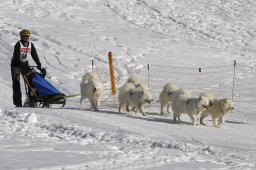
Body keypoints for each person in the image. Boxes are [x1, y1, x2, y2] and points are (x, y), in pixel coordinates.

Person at [11, 29, 45, 107]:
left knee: (31, 81)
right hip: (16, 65)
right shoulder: (18, 44)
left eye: (27, 36)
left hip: (25, 64)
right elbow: (16, 56)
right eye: (24, 36)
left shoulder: (30, 44)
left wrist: (39, 65)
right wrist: (21, 64)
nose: (26, 37)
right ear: (21, 37)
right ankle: (18, 103)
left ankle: (32, 100)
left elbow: (34, 55)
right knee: (16, 83)